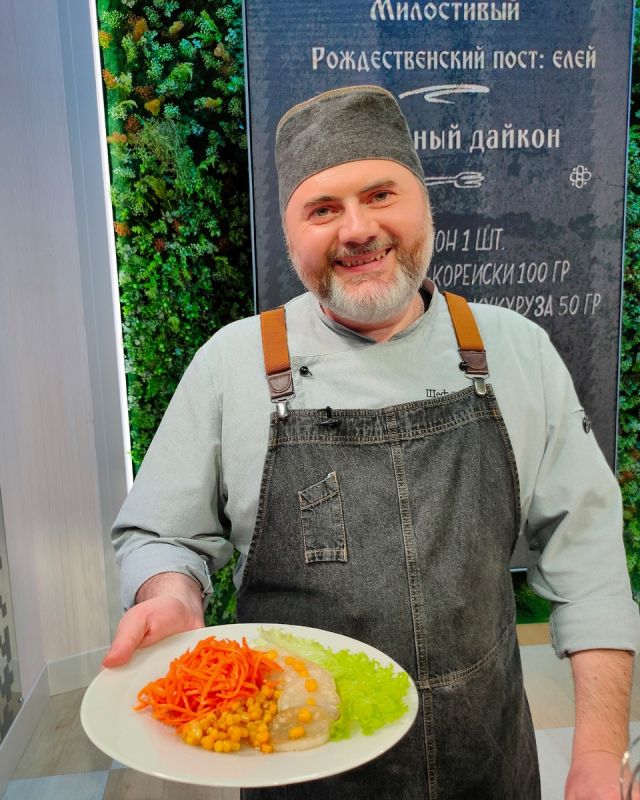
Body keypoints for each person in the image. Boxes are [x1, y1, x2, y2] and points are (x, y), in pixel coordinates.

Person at [104, 85, 639, 799]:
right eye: (323, 209)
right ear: (290, 232)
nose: (357, 230)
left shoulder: (515, 351)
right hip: (300, 775)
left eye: (381, 194)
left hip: (489, 769)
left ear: (424, 203)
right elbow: (161, 534)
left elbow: (589, 560)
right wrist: (171, 590)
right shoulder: (232, 365)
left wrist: (598, 755)